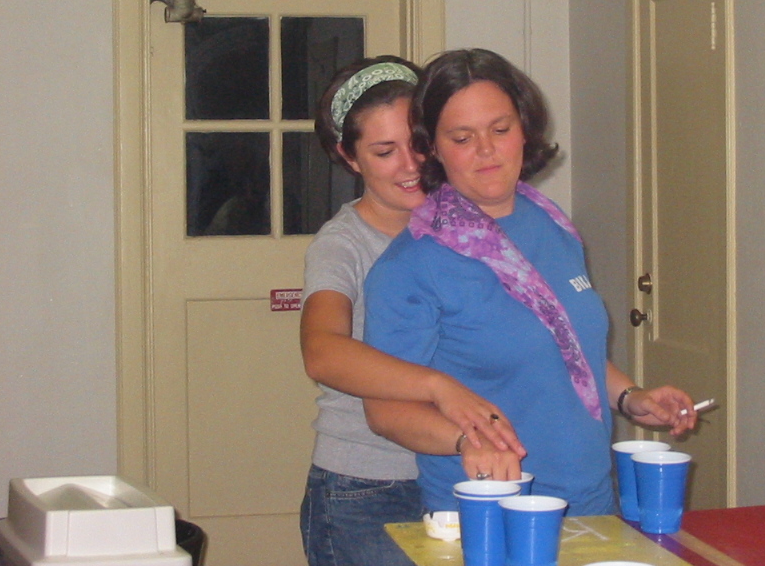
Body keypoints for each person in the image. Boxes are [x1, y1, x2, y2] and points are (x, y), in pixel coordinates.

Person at [362, 48, 698, 516]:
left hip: (591, 499)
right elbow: (385, 411)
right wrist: (465, 440)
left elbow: (567, 349)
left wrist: (631, 397)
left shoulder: (551, 224)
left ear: (524, 128)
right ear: (432, 147)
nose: (486, 150)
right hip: (491, 510)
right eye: (462, 138)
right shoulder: (412, 265)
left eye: (500, 130)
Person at [299, 55, 524, 566]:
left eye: (417, 143)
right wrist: (438, 387)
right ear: (349, 157)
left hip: (459, 475)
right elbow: (322, 352)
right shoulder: (344, 245)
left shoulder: (469, 224)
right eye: (384, 151)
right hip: (369, 487)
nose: (410, 165)